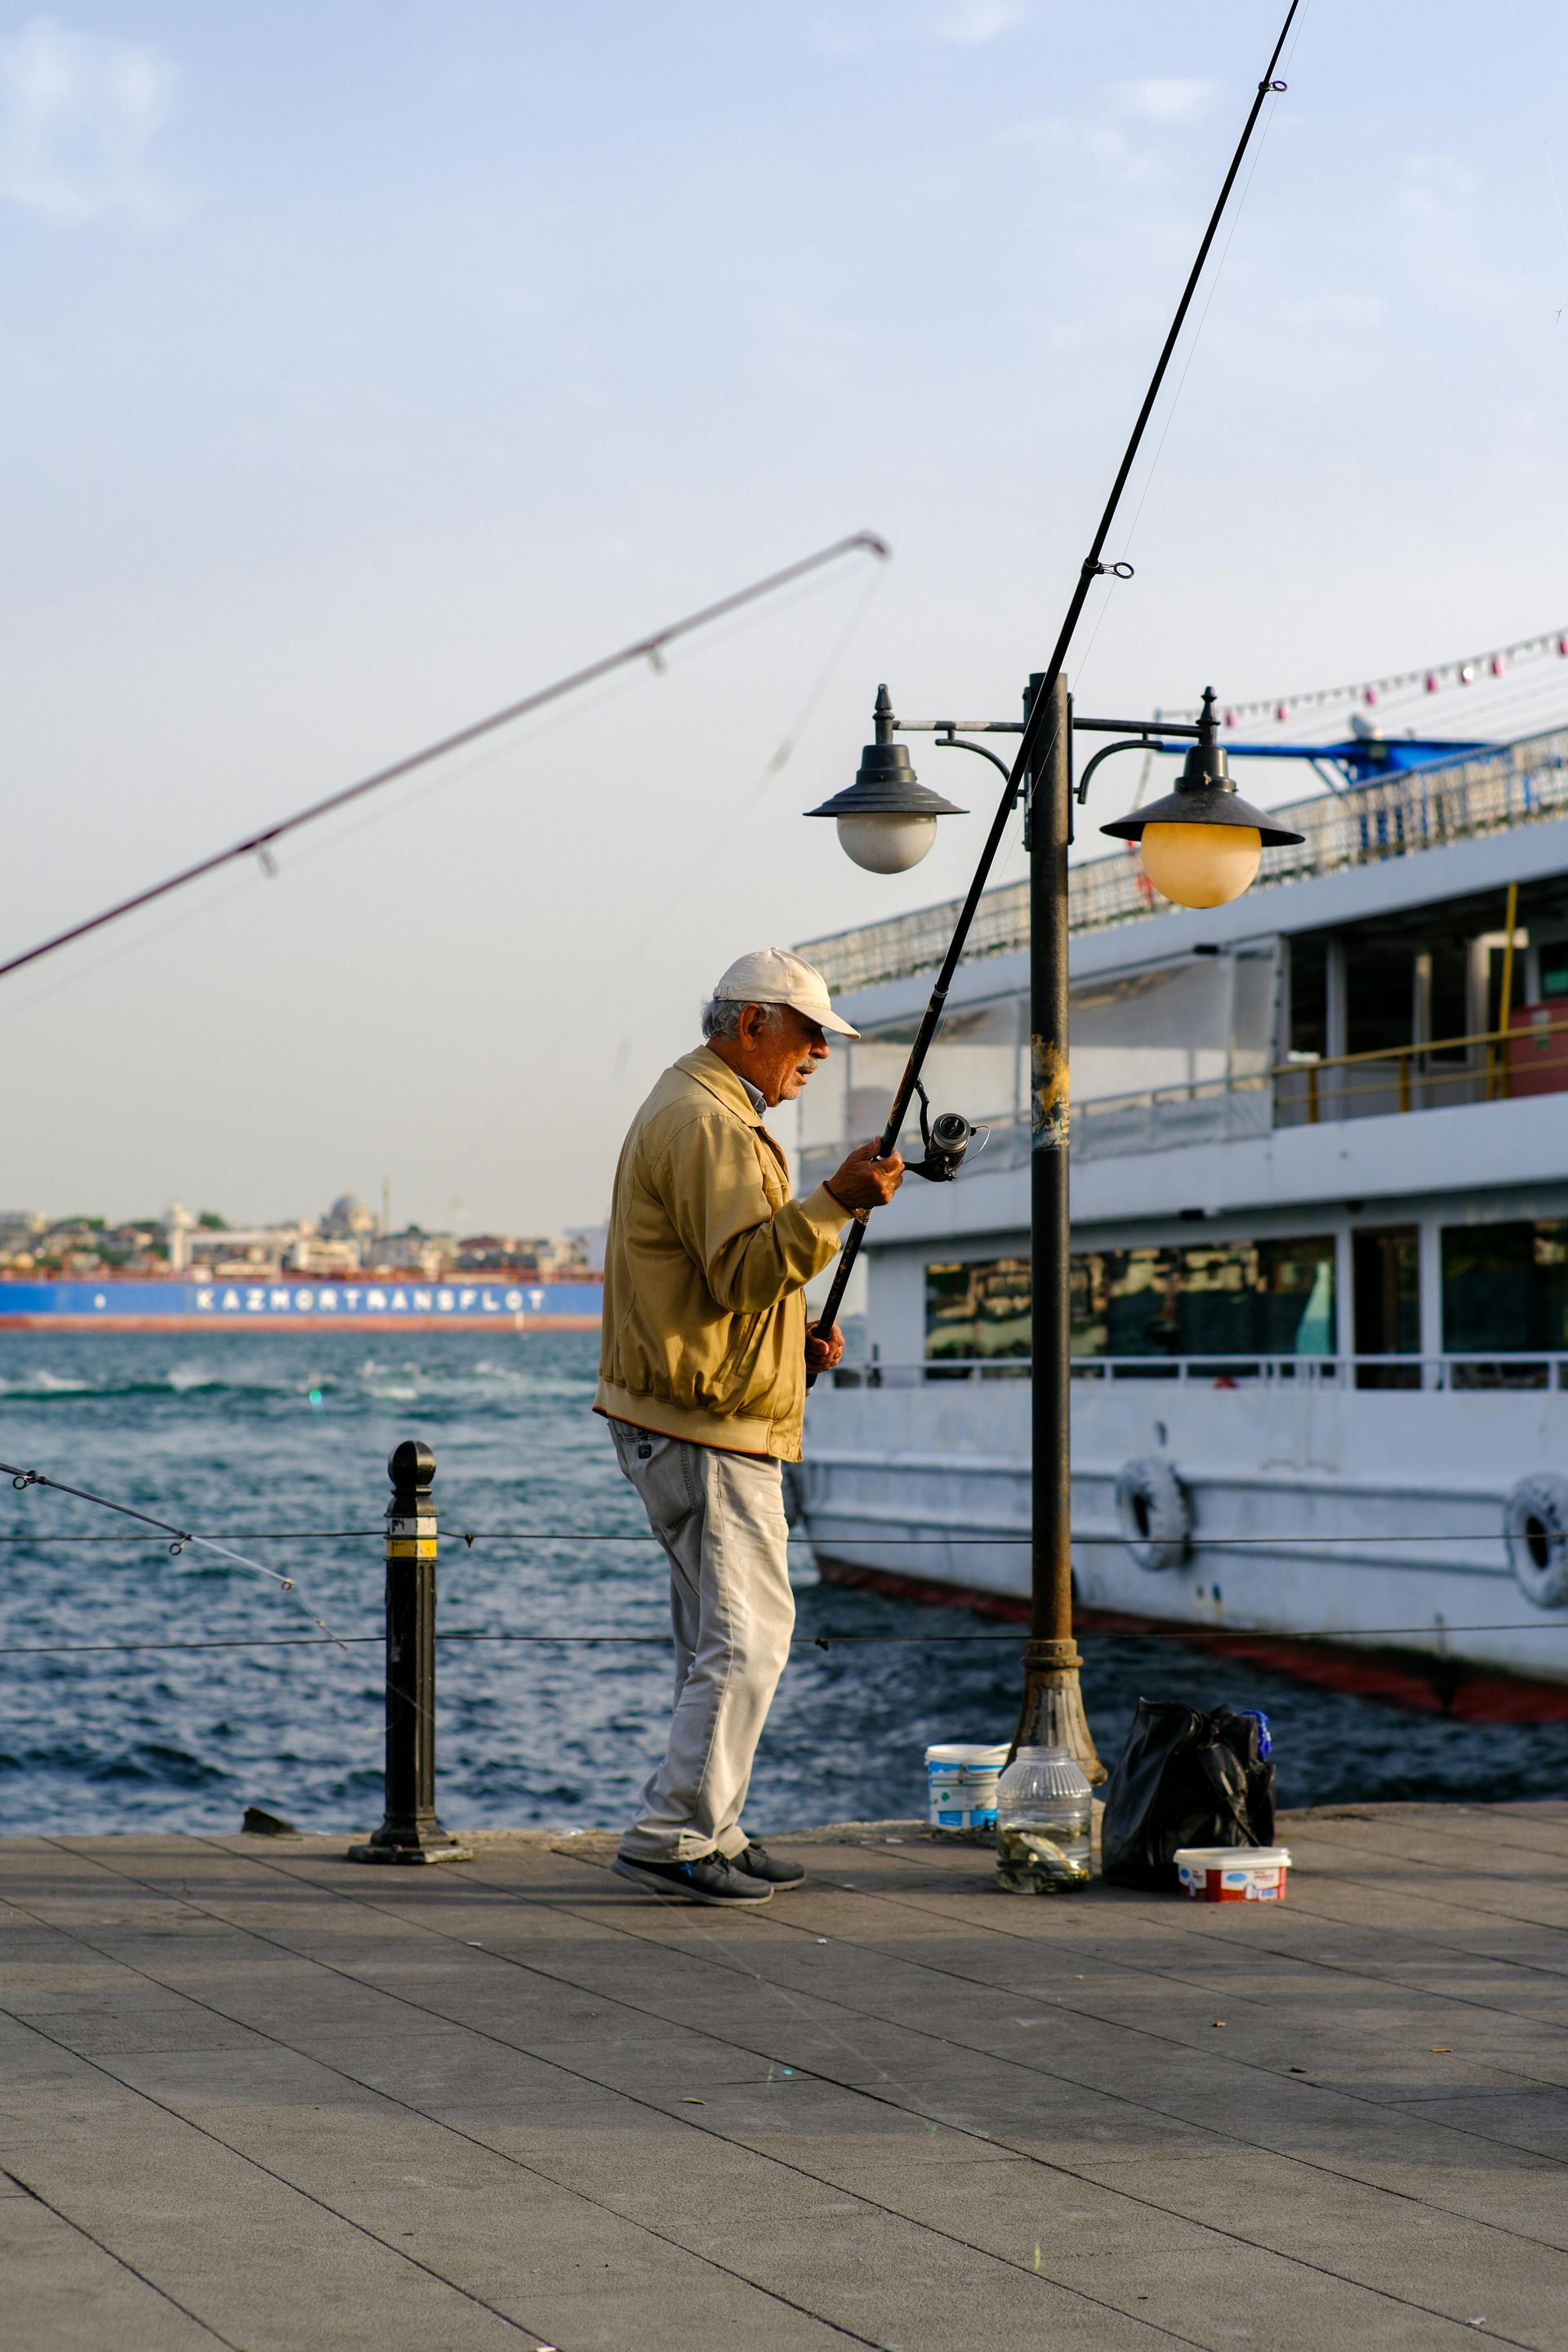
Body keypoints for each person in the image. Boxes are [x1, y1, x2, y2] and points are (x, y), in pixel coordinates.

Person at [595, 947, 904, 1905]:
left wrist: (789, 1343)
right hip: (709, 1429)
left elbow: (718, 1283)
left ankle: (712, 1823)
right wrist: (836, 1202)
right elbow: (740, 1270)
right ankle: (679, 1833)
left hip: (690, 1412)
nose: (817, 1055)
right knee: (753, 1635)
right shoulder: (711, 1124)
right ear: (753, 1024)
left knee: (716, 1638)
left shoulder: (697, 1107)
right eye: (810, 1035)